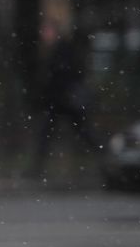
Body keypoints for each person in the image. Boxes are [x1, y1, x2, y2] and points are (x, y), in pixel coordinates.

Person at [32, 25, 103, 176]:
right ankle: (103, 156)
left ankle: (104, 156)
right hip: (62, 101)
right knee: (50, 133)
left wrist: (60, 92)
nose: (45, 36)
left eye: (48, 31)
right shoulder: (59, 51)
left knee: (81, 132)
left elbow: (65, 74)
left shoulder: (62, 51)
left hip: (64, 101)